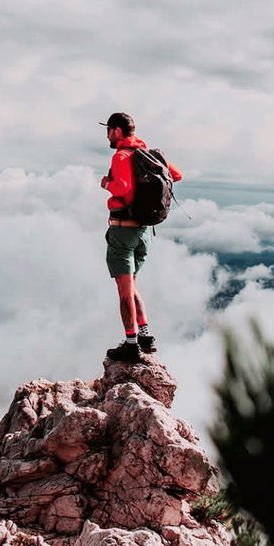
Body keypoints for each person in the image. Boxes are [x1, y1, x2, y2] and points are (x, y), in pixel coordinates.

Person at [99, 112, 182, 362]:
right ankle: (146, 336)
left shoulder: (121, 156)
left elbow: (122, 187)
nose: (107, 136)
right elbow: (176, 175)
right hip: (144, 230)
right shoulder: (149, 155)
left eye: (109, 130)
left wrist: (106, 184)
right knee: (132, 284)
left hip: (123, 230)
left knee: (124, 290)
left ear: (118, 131)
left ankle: (131, 343)